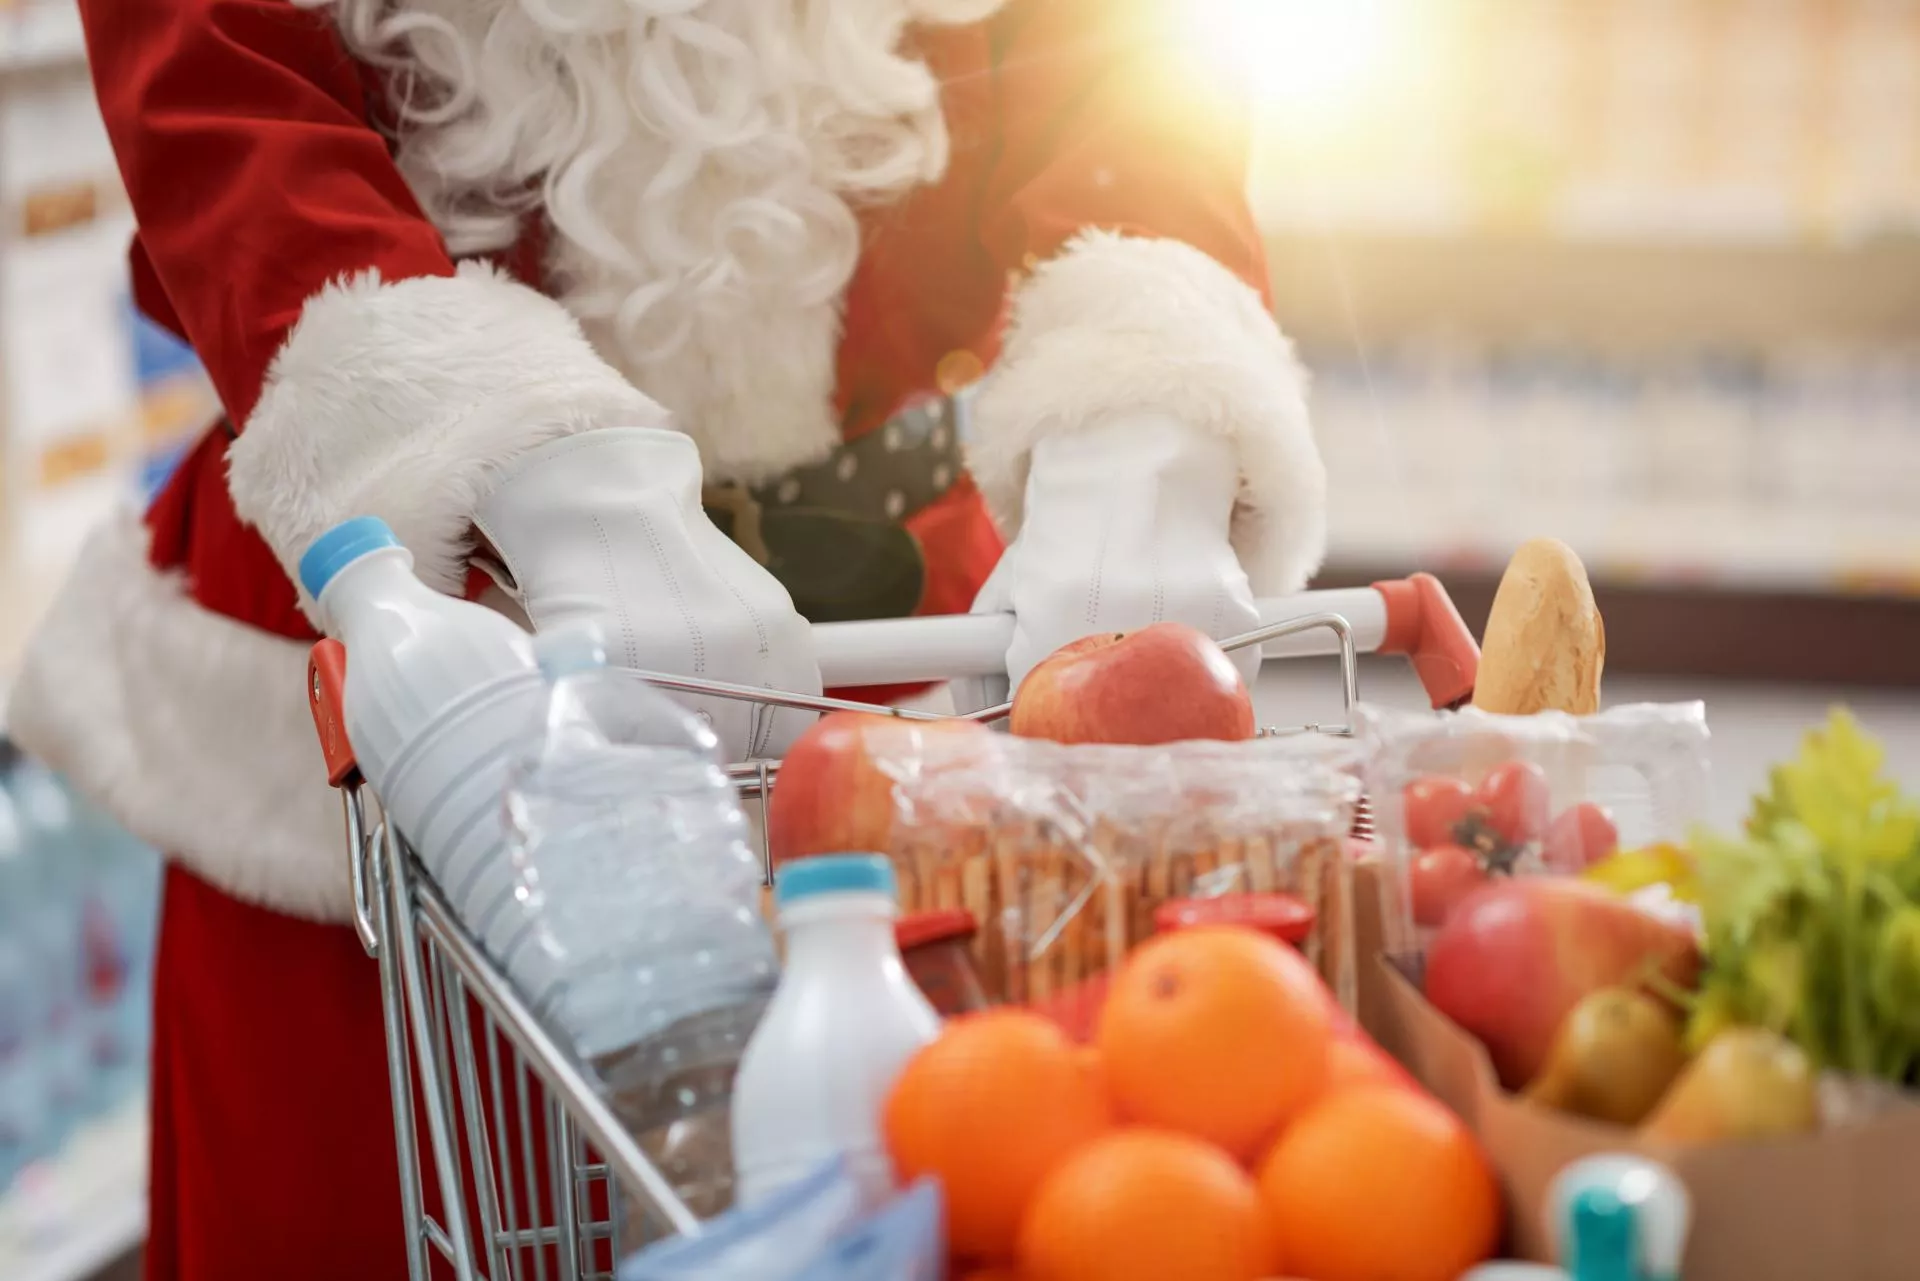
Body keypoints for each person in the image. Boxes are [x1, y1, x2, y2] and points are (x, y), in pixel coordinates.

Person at [6, 0, 1326, 1276]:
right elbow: (209, 66)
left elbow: (1132, 57)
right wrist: (507, 453)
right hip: (422, 695)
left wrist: (1145, 390)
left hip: (933, 668)